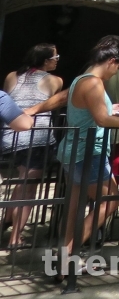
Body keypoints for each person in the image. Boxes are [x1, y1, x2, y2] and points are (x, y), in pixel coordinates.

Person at [57, 37, 119, 263]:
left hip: (75, 150)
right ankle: (67, 256)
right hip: (87, 151)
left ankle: (64, 252)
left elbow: (94, 112)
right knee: (110, 200)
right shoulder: (93, 82)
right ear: (112, 61)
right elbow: (102, 120)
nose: (116, 73)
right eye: (118, 68)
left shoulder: (80, 79)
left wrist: (112, 109)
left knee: (75, 205)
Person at [2, 44, 63, 249]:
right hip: (37, 137)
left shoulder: (12, 76)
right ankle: (15, 238)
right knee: (28, 189)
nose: (57, 60)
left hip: (11, 136)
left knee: (22, 180)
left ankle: (6, 221)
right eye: (55, 57)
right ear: (46, 61)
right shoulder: (55, 80)